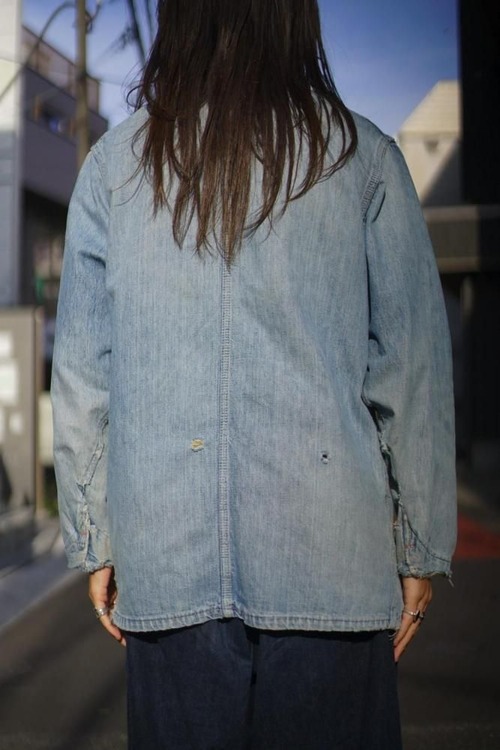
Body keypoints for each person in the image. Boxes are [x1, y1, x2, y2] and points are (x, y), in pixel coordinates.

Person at [51, 1, 457, 748]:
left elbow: (84, 374)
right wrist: (417, 545)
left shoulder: (115, 166)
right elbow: (411, 373)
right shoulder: (361, 157)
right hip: (331, 558)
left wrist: (96, 535)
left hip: (168, 557)